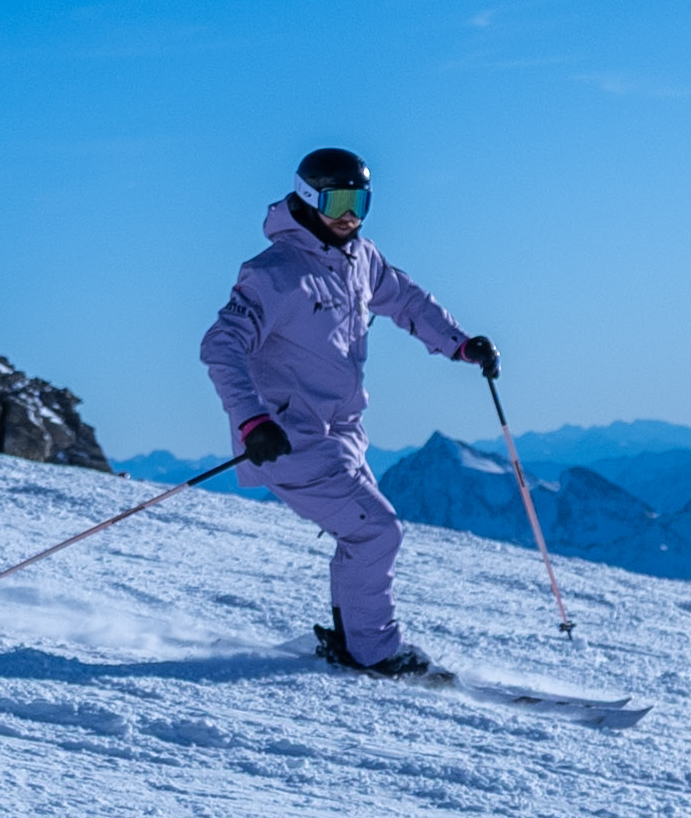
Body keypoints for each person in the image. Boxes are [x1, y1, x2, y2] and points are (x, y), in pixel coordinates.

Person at [200, 148, 496, 678]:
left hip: (343, 434)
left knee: (365, 533)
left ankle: (353, 638)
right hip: (286, 436)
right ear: (309, 198)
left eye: (359, 201)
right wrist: (252, 421)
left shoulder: (360, 259)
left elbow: (406, 300)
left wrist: (459, 345)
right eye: (337, 200)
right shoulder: (275, 273)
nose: (349, 215)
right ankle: (373, 652)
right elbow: (223, 345)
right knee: (377, 531)